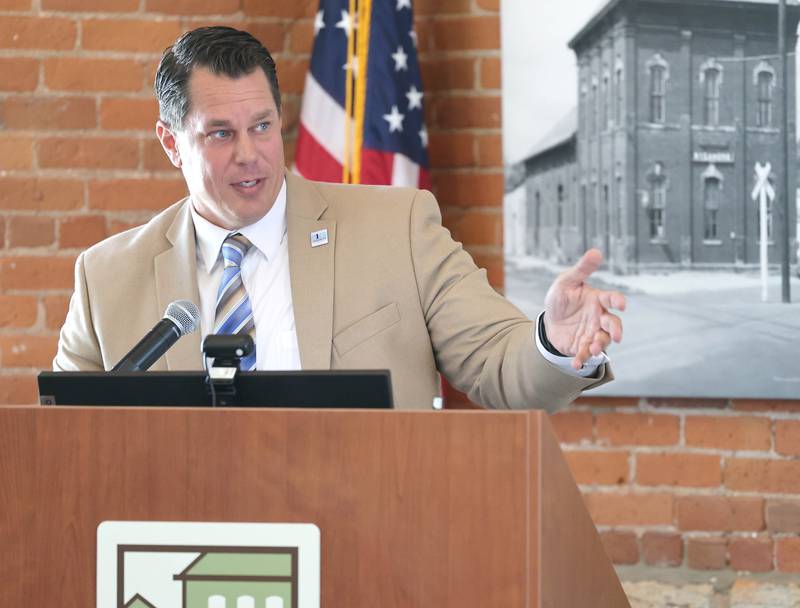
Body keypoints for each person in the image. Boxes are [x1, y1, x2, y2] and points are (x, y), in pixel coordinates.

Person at [53, 26, 625, 411]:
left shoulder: (396, 227)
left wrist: (554, 340)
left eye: (262, 126)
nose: (249, 154)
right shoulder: (106, 278)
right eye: (221, 134)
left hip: (366, 534)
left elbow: (497, 362)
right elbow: (63, 441)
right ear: (171, 143)